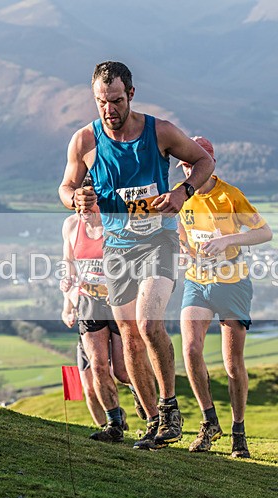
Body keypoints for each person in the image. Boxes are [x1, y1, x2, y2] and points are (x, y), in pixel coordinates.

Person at [58, 61, 215, 450]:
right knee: (128, 332)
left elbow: (204, 161)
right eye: (100, 102)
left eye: (115, 100)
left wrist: (183, 191)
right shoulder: (84, 141)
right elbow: (64, 187)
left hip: (158, 241)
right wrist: (75, 198)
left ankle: (170, 410)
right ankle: (152, 420)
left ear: (130, 93)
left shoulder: (158, 131)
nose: (108, 110)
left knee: (148, 324)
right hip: (117, 248)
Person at [175, 136, 272, 458]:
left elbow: (264, 232)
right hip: (197, 281)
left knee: (233, 363)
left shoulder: (230, 196)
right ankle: (208, 422)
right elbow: (183, 235)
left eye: (193, 165)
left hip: (232, 282)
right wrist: (183, 252)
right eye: (184, 166)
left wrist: (229, 239)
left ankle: (238, 432)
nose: (188, 171)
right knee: (190, 349)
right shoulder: (183, 197)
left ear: (209, 163)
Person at [60, 206, 140, 441]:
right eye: (79, 206)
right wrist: (68, 281)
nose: (83, 211)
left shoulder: (115, 222)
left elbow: (134, 258)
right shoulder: (71, 225)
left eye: (88, 205)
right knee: (97, 366)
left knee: (124, 371)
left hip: (118, 300)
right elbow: (69, 260)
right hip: (88, 299)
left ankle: (144, 398)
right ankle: (114, 424)